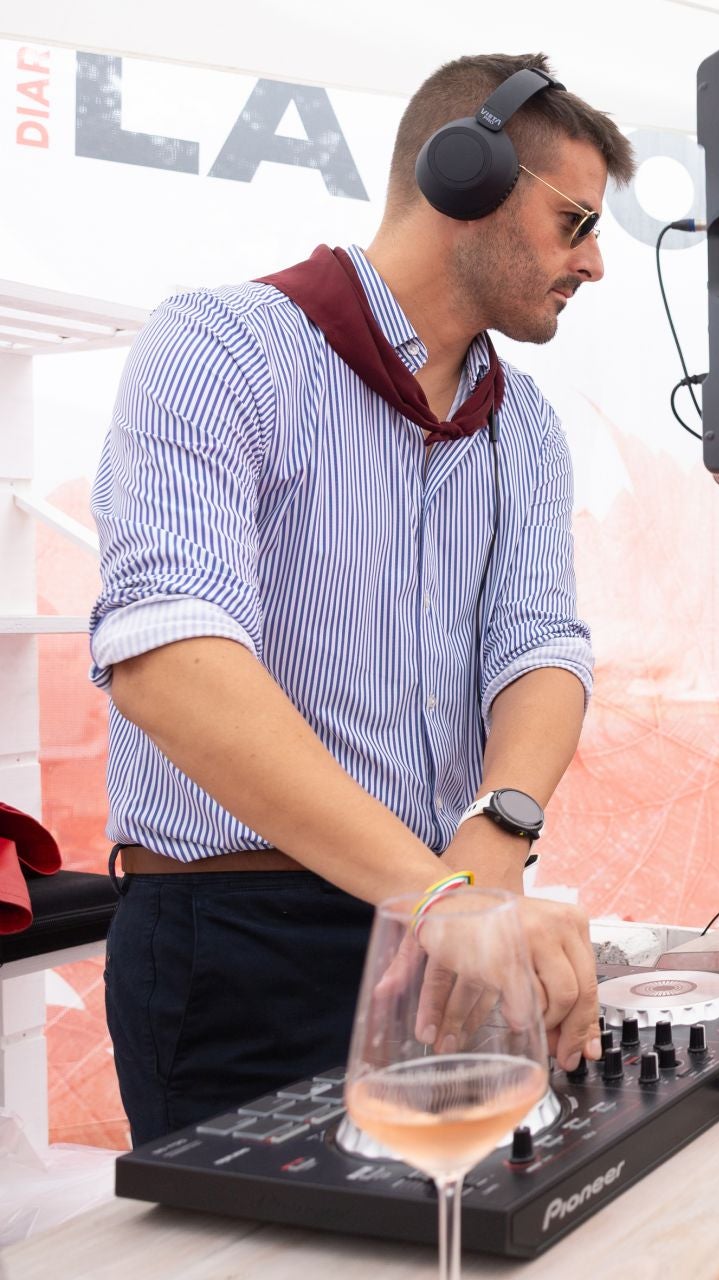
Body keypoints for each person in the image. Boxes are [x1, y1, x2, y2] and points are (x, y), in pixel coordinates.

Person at [91, 54, 636, 1143]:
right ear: (466, 178)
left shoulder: (522, 425)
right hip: (237, 934)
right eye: (574, 219)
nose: (596, 261)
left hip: (448, 921)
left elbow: (541, 646)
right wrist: (441, 902)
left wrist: (498, 831)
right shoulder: (218, 346)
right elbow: (170, 658)